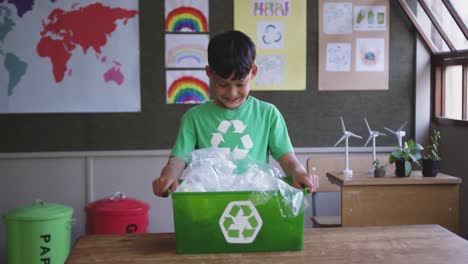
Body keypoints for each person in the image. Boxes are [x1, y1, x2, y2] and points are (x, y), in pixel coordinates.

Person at [153, 30, 317, 197]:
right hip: (210, 203)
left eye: (240, 84)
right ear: (209, 73)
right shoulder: (194, 118)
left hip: (256, 202)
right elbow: (178, 159)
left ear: (253, 72)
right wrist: (169, 175)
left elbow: (288, 160)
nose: (232, 93)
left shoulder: (268, 114)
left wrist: (299, 172)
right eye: (223, 84)